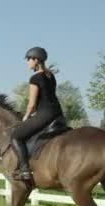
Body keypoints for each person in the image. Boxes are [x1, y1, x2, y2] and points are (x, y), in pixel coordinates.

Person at [10, 46, 64, 180]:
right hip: (57, 113)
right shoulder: (50, 75)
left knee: (16, 136)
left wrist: (26, 117)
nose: (27, 62)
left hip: (45, 114)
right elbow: (46, 98)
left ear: (36, 60)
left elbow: (32, 104)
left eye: (29, 59)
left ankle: (24, 170)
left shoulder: (35, 78)